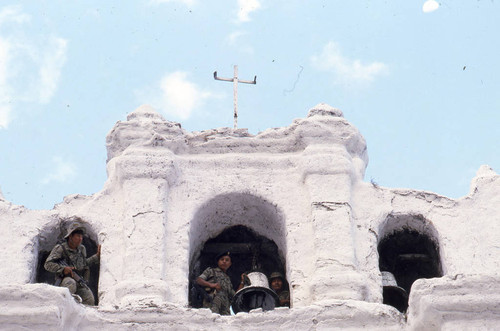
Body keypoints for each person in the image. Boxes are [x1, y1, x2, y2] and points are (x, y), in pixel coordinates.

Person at [44, 221, 100, 305]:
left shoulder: (81, 249)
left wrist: (97, 256)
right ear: (70, 236)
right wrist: (63, 269)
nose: (80, 239)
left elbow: (84, 264)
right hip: (65, 280)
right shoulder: (60, 248)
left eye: (81, 236)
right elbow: (47, 264)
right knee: (71, 284)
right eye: (78, 236)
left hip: (79, 280)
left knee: (89, 298)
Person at [196, 251, 242, 315]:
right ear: (218, 262)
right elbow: (199, 280)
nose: (224, 261)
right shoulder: (211, 271)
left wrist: (242, 282)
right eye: (222, 259)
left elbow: (234, 295)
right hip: (213, 302)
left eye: (227, 260)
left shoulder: (228, 279)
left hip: (225, 307)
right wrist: (212, 285)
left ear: (230, 264)